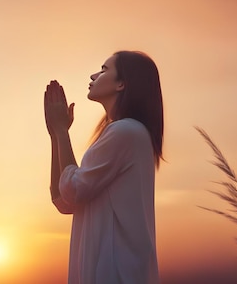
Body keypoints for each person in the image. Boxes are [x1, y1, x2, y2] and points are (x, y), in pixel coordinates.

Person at [44, 50, 163, 284]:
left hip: (116, 273)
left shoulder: (126, 132)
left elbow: (73, 189)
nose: (93, 75)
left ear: (121, 84)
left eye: (104, 70)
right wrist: (56, 136)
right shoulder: (124, 133)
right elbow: (64, 201)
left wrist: (60, 131)